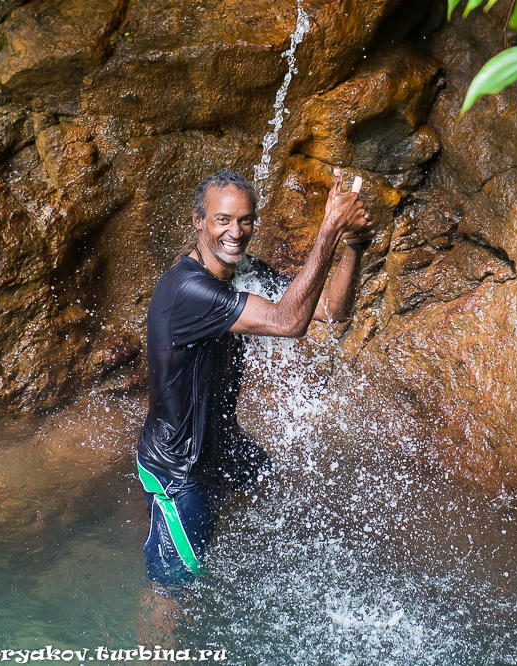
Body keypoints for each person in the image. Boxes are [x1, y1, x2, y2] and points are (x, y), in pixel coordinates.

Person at [136, 167, 374, 588]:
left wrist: (354, 244)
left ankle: (218, 558)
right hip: (180, 469)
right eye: (222, 220)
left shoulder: (243, 272)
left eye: (245, 220)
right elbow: (288, 321)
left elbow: (330, 311)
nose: (236, 231)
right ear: (199, 221)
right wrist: (330, 229)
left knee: (261, 480)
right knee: (172, 589)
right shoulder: (187, 291)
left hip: (221, 445)